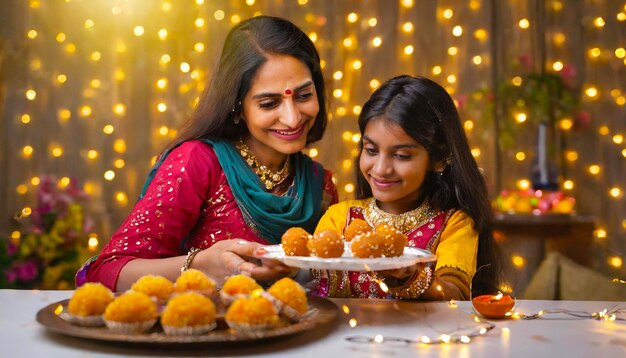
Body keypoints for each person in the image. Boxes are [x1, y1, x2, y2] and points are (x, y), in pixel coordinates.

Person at [76, 16, 338, 292]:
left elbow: (327, 287)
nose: (292, 117)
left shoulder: (319, 184)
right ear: (237, 107)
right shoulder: (197, 162)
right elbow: (105, 271)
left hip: (297, 332)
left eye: (304, 96)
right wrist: (198, 265)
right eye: (269, 103)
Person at [312, 75, 503, 300]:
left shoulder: (453, 224)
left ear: (438, 159)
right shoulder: (340, 217)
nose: (381, 169)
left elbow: (455, 294)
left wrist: (409, 277)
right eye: (371, 150)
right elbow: (314, 279)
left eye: (401, 155)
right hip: (342, 335)